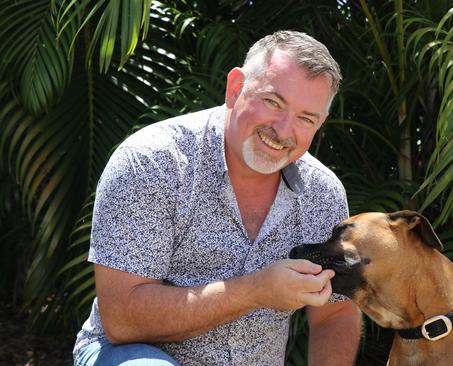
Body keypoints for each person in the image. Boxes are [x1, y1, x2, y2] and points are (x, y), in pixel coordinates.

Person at [72, 30, 361, 366]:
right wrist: (256, 291)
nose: (283, 131)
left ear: (320, 124)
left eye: (305, 118)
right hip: (128, 356)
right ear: (235, 88)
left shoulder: (322, 194)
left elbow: (335, 313)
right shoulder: (153, 162)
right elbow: (123, 320)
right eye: (273, 102)